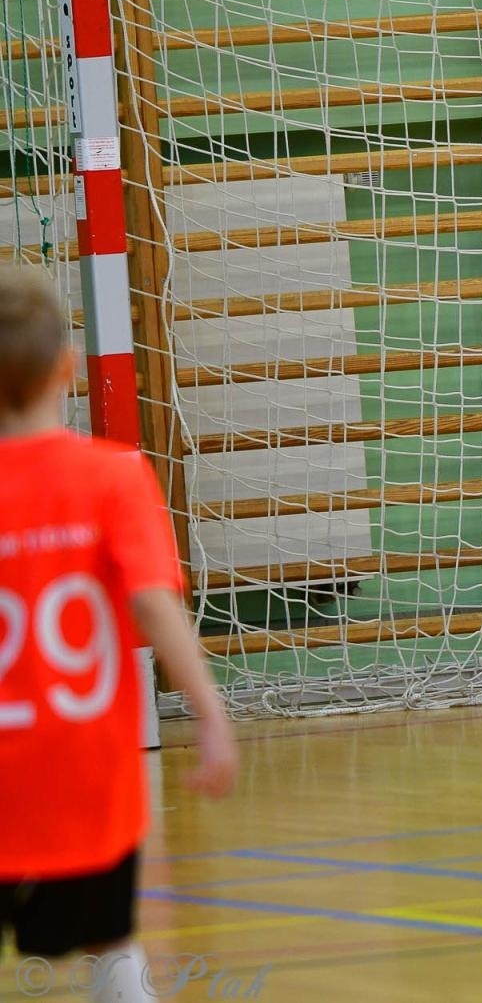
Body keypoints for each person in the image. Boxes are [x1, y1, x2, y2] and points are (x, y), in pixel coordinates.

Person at [0, 265, 238, 1000]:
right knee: (112, 947)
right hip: (88, 779)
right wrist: (210, 713)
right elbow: (155, 606)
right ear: (68, 369)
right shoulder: (114, 476)